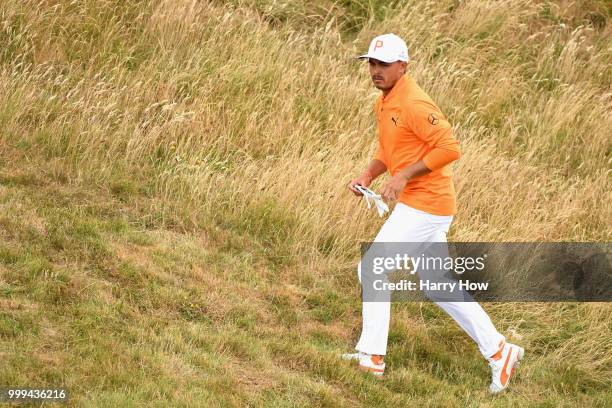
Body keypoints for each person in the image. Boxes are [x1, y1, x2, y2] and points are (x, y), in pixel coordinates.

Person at [341, 33, 524, 394]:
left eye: (384, 64)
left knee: (373, 267)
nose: (375, 71)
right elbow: (389, 148)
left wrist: (404, 176)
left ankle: (372, 357)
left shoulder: (414, 102)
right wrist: (369, 175)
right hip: (422, 204)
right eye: (372, 64)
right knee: (439, 286)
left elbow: (449, 147)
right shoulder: (386, 101)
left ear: (403, 66)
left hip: (427, 203)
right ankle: (500, 351)